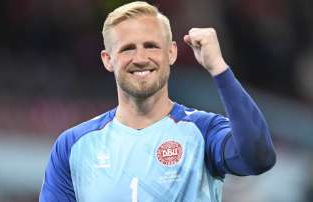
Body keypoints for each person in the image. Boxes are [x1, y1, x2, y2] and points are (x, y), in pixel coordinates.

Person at [39, 1, 276, 201]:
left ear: (171, 52)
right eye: (127, 49)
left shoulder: (204, 132)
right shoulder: (73, 145)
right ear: (107, 59)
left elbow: (258, 158)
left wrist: (219, 68)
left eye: (151, 46)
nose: (141, 58)